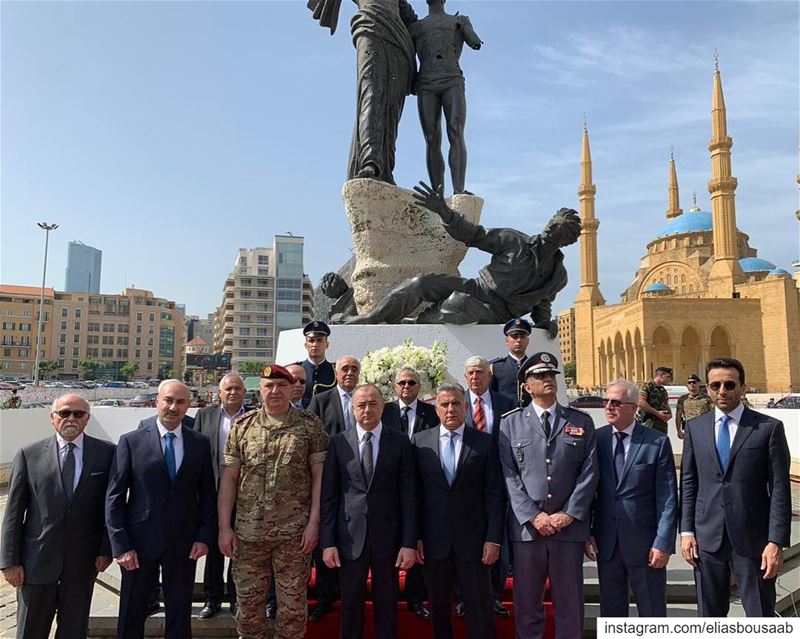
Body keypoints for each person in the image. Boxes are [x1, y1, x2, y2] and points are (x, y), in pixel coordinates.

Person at [345, 182, 581, 329]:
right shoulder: (515, 241)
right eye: (551, 223)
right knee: (422, 283)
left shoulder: (558, 276)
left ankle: (411, 327)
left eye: (558, 228)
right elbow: (474, 235)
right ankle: (373, 318)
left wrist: (544, 326)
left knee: (456, 305)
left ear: (566, 240)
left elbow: (542, 304)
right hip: (477, 287)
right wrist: (445, 213)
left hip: (498, 311)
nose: (550, 228)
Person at [217, 364, 328, 639]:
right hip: (249, 534)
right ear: (260, 390)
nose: (275, 391)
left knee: (291, 610)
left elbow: (319, 480)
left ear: (292, 389)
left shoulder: (309, 426)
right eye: (269, 386)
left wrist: (314, 523)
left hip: (294, 535)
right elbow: (229, 480)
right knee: (249, 607)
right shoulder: (243, 428)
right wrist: (224, 528)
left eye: (281, 385)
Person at [680, 357, 791, 617]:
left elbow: (780, 489)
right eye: (715, 385)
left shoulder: (768, 429)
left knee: (760, 616)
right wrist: (686, 531)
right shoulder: (695, 429)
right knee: (710, 618)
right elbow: (688, 482)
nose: (722, 391)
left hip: (754, 541)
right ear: (707, 388)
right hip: (707, 539)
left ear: (742, 387)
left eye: (729, 385)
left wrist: (776, 541)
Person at [106, 379, 217, 639]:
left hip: (183, 542)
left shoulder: (200, 443)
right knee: (133, 610)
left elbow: (208, 495)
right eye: (168, 400)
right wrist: (120, 545)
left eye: (180, 402)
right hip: (138, 544)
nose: (173, 407)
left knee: (179, 613)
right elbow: (114, 497)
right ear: (157, 401)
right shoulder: (131, 441)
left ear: (189, 406)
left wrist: (203, 536)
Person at [498, 352, 598, 639]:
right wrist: (534, 515)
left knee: (570, 604)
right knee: (528, 604)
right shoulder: (510, 423)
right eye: (540, 376)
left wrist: (568, 514)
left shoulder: (581, 421)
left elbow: (589, 473)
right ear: (526, 386)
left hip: (568, 530)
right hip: (528, 530)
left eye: (551, 375)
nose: (547, 380)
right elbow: (509, 475)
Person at [1, 394, 115, 639]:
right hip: (36, 562)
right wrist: (10, 561)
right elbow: (13, 513)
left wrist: (106, 549)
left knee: (74, 630)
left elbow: (111, 507)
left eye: (78, 414)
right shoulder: (28, 454)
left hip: (83, 563)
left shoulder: (107, 454)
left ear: (87, 419)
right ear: (52, 418)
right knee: (30, 630)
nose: (71, 418)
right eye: (64, 413)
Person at [321, 384, 417, 639]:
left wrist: (408, 542)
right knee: (350, 605)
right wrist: (327, 542)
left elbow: (409, 496)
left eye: (373, 403)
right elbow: (329, 497)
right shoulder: (338, 443)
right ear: (352, 410)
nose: (367, 409)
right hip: (349, 538)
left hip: (388, 537)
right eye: (361, 404)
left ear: (383, 407)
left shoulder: (400, 441)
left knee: (387, 605)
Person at [413, 382, 504, 639]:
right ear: (436, 409)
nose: (451, 409)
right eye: (445, 404)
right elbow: (414, 495)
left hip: (474, 543)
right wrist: (416, 537)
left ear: (465, 407)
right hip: (434, 543)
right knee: (439, 610)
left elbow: (495, 494)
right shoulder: (420, 443)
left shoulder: (485, 443)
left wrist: (493, 539)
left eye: (456, 403)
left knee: (479, 608)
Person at [584, 380, 678, 617]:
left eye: (616, 402)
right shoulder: (596, 439)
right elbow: (587, 492)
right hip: (607, 544)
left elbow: (667, 497)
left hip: (646, 545)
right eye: (606, 401)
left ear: (634, 407)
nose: (608, 407)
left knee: (652, 612)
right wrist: (588, 533)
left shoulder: (656, 442)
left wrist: (663, 542)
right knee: (612, 612)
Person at [308, 0, 419, 184]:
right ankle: (370, 162)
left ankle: (385, 170)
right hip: (370, 28)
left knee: (392, 108)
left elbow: (415, 23)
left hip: (400, 43)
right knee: (372, 94)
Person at [380, 366, 439, 619]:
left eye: (412, 383)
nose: (406, 387)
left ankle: (416, 597)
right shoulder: (385, 411)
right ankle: (390, 596)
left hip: (422, 486)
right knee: (391, 544)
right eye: (402, 383)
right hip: (390, 488)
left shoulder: (431, 412)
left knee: (417, 541)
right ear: (395, 387)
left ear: (419, 386)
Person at [306, 355, 362, 619]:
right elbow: (314, 439)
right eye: (345, 369)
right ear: (336, 374)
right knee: (328, 537)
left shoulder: (367, 398)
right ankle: (326, 596)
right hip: (329, 478)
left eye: (354, 369)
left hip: (362, 479)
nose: (349, 373)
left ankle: (352, 593)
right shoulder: (321, 400)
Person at [408, 0, 482, 195]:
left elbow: (475, 42)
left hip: (452, 79)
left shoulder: (459, 20)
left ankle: (458, 190)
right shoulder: (415, 28)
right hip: (426, 83)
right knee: (431, 138)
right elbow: (407, 58)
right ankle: (437, 194)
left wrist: (466, 29)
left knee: (455, 131)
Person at [462, 355, 514, 616]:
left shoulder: (506, 403)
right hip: (467, 483)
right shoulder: (455, 403)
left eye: (479, 372)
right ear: (465, 377)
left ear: (489, 376)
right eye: (470, 373)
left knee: (497, 538)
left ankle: (494, 593)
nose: (475, 377)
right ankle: (463, 596)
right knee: (466, 540)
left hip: (500, 481)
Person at [194, 373, 246, 619]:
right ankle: (212, 599)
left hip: (245, 494)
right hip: (212, 492)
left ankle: (236, 598)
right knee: (214, 547)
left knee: (240, 549)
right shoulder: (205, 416)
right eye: (228, 389)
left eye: (237, 388)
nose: (233, 392)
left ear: (244, 392)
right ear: (219, 393)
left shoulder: (253, 417)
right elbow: (195, 455)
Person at [490, 318, 533, 407]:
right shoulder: (496, 367)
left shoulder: (535, 365)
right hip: (505, 417)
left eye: (522, 337)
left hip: (531, 417)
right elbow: (491, 396)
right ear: (507, 340)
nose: (518, 340)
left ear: (527, 341)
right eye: (514, 337)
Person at [299, 320, 336, 408]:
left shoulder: (335, 371)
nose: (315, 344)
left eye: (319, 340)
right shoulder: (297, 370)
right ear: (305, 345)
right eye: (311, 341)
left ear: (327, 345)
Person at [674, 373, 713, 439]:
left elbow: (712, 414)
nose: (692, 384)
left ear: (699, 383)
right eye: (689, 382)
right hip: (689, 430)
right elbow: (678, 415)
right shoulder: (683, 399)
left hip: (704, 429)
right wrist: (678, 430)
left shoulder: (707, 398)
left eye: (694, 382)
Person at [636, 367, 672, 434]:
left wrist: (670, 414)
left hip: (661, 425)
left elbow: (665, 404)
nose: (669, 379)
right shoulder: (647, 386)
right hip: (649, 423)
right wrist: (657, 413)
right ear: (661, 375)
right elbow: (641, 402)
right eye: (668, 376)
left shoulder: (662, 389)